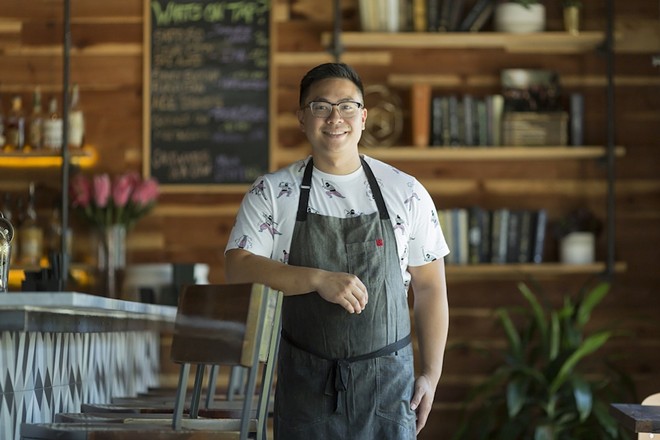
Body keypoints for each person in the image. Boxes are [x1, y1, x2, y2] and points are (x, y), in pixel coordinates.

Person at [224, 62, 449, 439]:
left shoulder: (406, 192)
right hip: (306, 386)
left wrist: (431, 373)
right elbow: (238, 266)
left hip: (389, 389)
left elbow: (430, 288)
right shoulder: (272, 193)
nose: (334, 117)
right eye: (320, 106)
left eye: (346, 106)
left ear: (362, 117)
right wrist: (317, 279)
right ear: (302, 117)